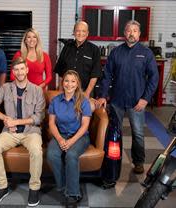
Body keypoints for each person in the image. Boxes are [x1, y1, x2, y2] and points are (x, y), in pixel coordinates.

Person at [97, 20, 159, 174]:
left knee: (137, 132)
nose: (131, 33)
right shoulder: (116, 52)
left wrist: (145, 99)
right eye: (129, 30)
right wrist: (103, 95)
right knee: (114, 132)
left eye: (135, 31)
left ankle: (138, 162)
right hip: (117, 100)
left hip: (136, 101)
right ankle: (114, 159)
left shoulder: (146, 54)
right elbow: (107, 76)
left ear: (139, 34)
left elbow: (153, 78)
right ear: (124, 33)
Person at [0, 57, 45, 207]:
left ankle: (34, 188)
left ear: (27, 70)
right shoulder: (6, 88)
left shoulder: (37, 90)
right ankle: (2, 187)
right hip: (10, 132)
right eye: (16, 69)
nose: (19, 72)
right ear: (13, 72)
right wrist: (5, 118)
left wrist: (16, 122)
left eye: (22, 69)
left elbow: (39, 117)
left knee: (37, 150)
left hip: (31, 132)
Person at [47, 70, 91, 206]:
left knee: (71, 155)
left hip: (79, 136)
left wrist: (71, 141)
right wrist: (60, 139)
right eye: (66, 80)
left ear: (77, 84)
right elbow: (51, 123)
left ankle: (73, 194)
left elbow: (84, 126)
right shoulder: (55, 100)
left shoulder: (83, 101)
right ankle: (64, 186)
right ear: (62, 82)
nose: (69, 84)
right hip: (61, 135)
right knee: (52, 154)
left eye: (73, 81)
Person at [54, 21, 101, 98]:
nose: (80, 33)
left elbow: (95, 75)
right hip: (67, 92)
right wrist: (60, 90)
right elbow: (60, 72)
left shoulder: (94, 50)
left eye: (83, 31)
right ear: (74, 32)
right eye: (78, 31)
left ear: (87, 33)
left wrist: (87, 93)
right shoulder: (66, 47)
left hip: (85, 92)